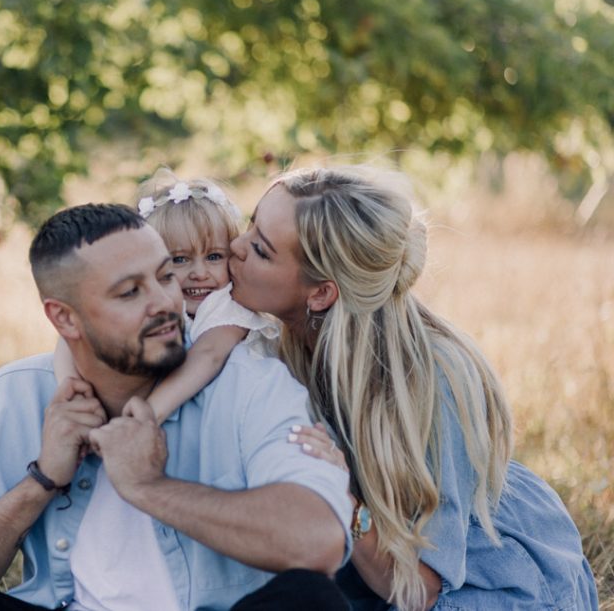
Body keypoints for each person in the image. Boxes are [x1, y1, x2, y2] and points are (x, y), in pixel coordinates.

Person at [0, 203, 353, 610]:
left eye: (165, 276)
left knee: (311, 601)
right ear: (65, 319)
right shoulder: (21, 393)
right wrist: (41, 480)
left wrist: (150, 487)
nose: (165, 303)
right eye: (129, 293)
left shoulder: (250, 384)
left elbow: (317, 543)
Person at [222, 166, 599, 611]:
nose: (235, 247)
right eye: (251, 224)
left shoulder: (433, 382)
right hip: (370, 567)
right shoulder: (275, 340)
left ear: (321, 294)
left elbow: (419, 591)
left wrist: (342, 497)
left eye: (261, 250)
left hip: (473, 586)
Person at [53, 171, 278, 423]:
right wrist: (70, 386)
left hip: (237, 416)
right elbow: (77, 334)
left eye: (214, 256)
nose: (200, 274)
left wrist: (146, 415)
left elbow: (209, 354)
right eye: (179, 260)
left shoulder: (227, 305)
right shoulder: (151, 300)